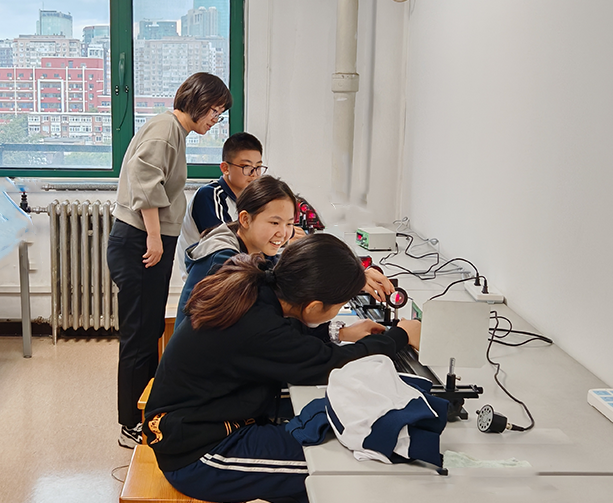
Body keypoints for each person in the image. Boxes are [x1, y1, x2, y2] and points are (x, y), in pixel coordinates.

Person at [143, 234, 421, 503]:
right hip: (198, 454)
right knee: (329, 467)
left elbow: (295, 335)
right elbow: (330, 364)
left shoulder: (262, 285)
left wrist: (346, 305)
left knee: (322, 427)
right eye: (340, 305)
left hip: (207, 416)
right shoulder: (260, 326)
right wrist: (399, 336)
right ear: (314, 305)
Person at [107, 72, 232, 448]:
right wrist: (154, 237)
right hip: (139, 241)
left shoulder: (174, 131)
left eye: (220, 113)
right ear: (197, 102)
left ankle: (146, 413)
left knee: (148, 333)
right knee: (138, 335)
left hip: (145, 240)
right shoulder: (165, 130)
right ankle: (130, 424)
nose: (215, 119)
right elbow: (144, 179)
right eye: (214, 111)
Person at [175, 175, 398, 328]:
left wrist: (354, 276)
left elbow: (298, 273)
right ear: (245, 219)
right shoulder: (223, 260)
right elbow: (270, 305)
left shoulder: (257, 249)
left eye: (289, 223)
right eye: (274, 223)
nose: (283, 233)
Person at [176, 132, 273, 278]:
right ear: (225, 168)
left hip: (235, 274)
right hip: (208, 278)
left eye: (258, 167)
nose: (254, 174)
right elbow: (228, 245)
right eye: (246, 166)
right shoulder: (209, 196)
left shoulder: (250, 199)